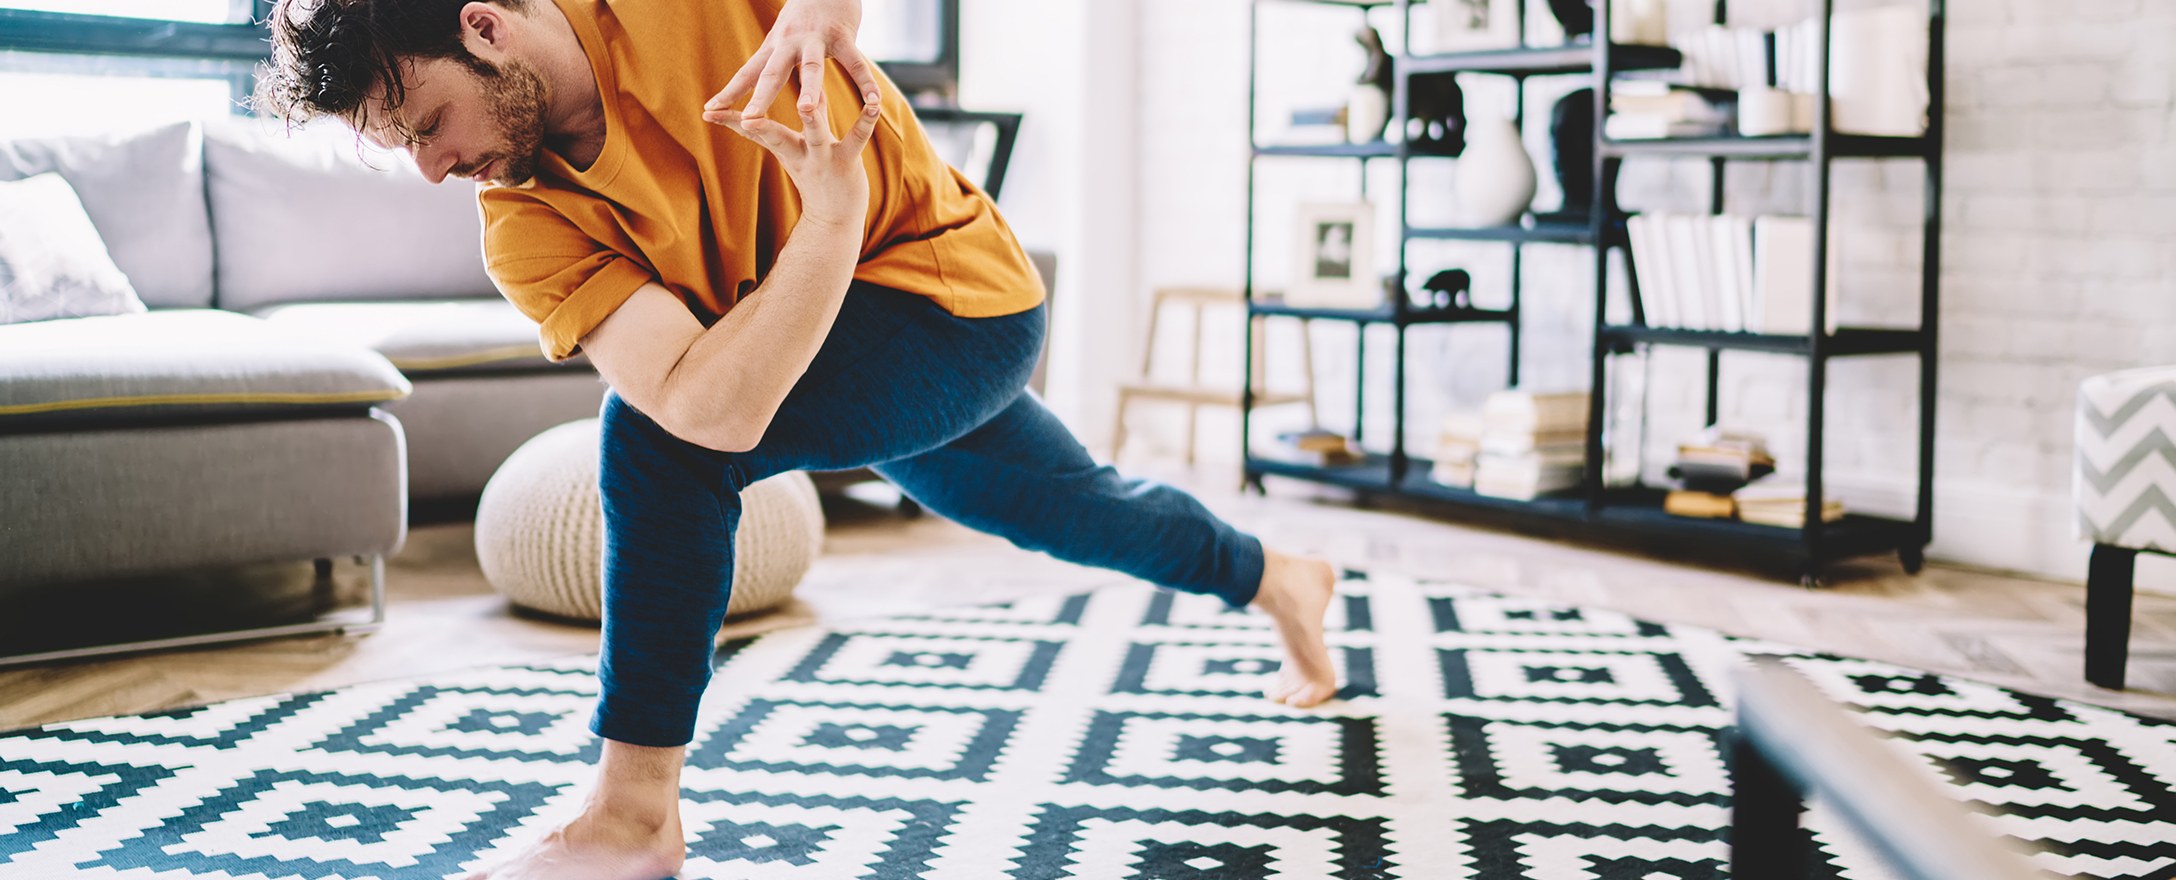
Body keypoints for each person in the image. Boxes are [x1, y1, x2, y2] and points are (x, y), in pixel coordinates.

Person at [256, 0, 1340, 877]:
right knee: (1075, 508)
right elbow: (706, 399)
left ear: (486, 28)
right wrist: (826, 217)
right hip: (804, 336)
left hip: (948, 303)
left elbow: (694, 427)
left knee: (654, 449)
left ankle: (634, 813)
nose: (433, 171)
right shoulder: (523, 221)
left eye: (428, 125)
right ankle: (1277, 576)